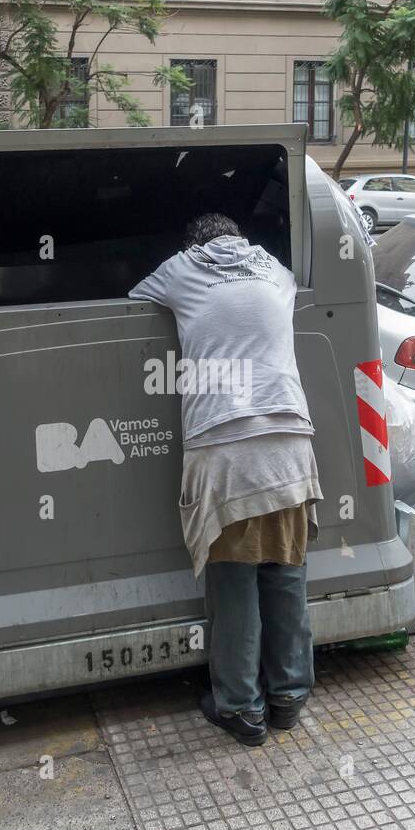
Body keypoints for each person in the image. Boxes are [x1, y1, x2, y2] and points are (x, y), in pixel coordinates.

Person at [129, 213, 322, 747]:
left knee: (234, 579)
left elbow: (128, 300)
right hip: (290, 442)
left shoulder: (181, 269)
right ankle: (289, 696)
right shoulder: (278, 272)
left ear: (195, 245)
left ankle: (239, 708)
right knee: (284, 571)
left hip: (228, 447)